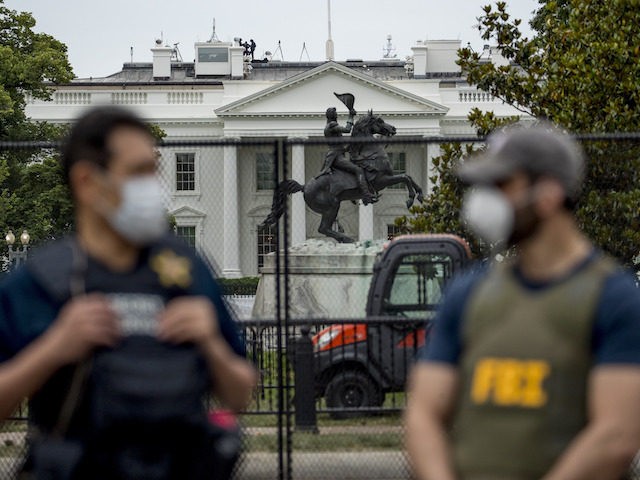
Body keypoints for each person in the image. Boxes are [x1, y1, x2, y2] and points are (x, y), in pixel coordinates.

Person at [0, 106, 257, 479]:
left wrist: (212, 345)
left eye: (154, 170)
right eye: (138, 173)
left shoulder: (184, 270)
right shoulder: (43, 279)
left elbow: (240, 396)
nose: (153, 187)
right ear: (88, 182)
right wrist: (54, 348)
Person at [405, 124, 640, 480]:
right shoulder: (468, 292)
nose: (483, 200)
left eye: (501, 185)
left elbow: (617, 436)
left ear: (548, 193)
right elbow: (423, 413)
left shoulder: (614, 298)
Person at [321, 106, 376, 205]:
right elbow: (347, 129)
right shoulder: (332, 125)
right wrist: (351, 116)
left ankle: (353, 192)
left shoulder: (328, 127)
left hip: (337, 154)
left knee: (353, 169)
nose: (337, 114)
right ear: (332, 115)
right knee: (358, 170)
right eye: (335, 113)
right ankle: (366, 194)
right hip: (337, 157)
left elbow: (339, 145)